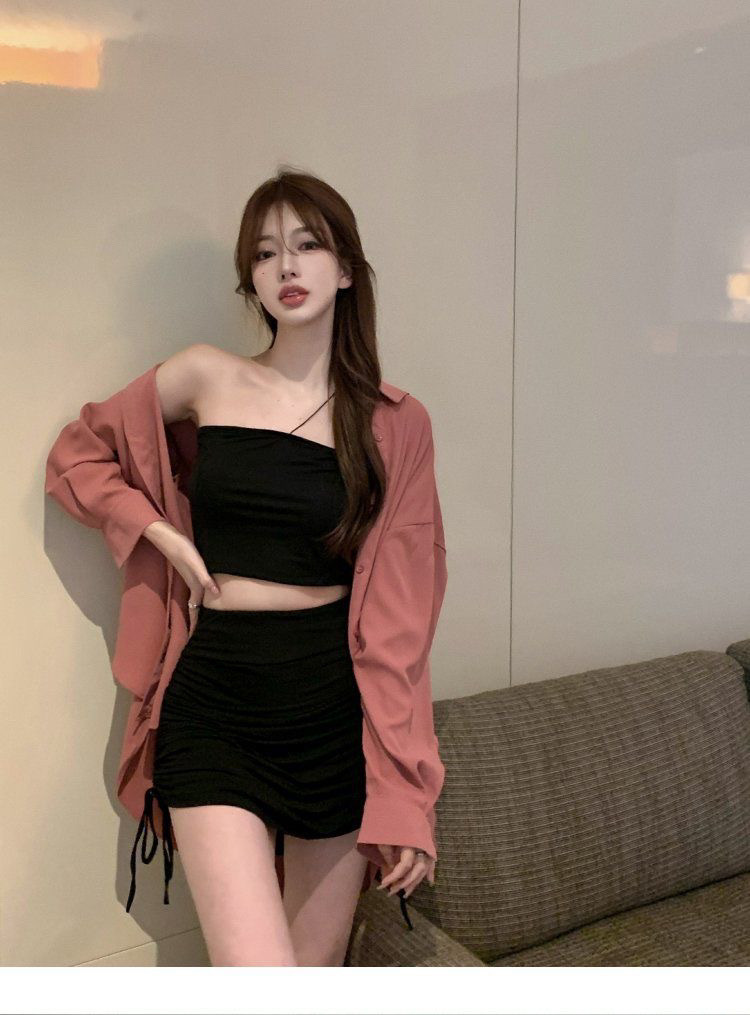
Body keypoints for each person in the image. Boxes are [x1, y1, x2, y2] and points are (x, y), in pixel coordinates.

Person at [45, 168, 447, 966]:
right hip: (217, 702)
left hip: (331, 711)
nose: (285, 266)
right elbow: (77, 455)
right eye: (265, 253)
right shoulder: (207, 375)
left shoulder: (394, 424)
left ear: (345, 268)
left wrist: (406, 794)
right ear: (251, 279)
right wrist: (158, 530)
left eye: (307, 245)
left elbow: (402, 623)